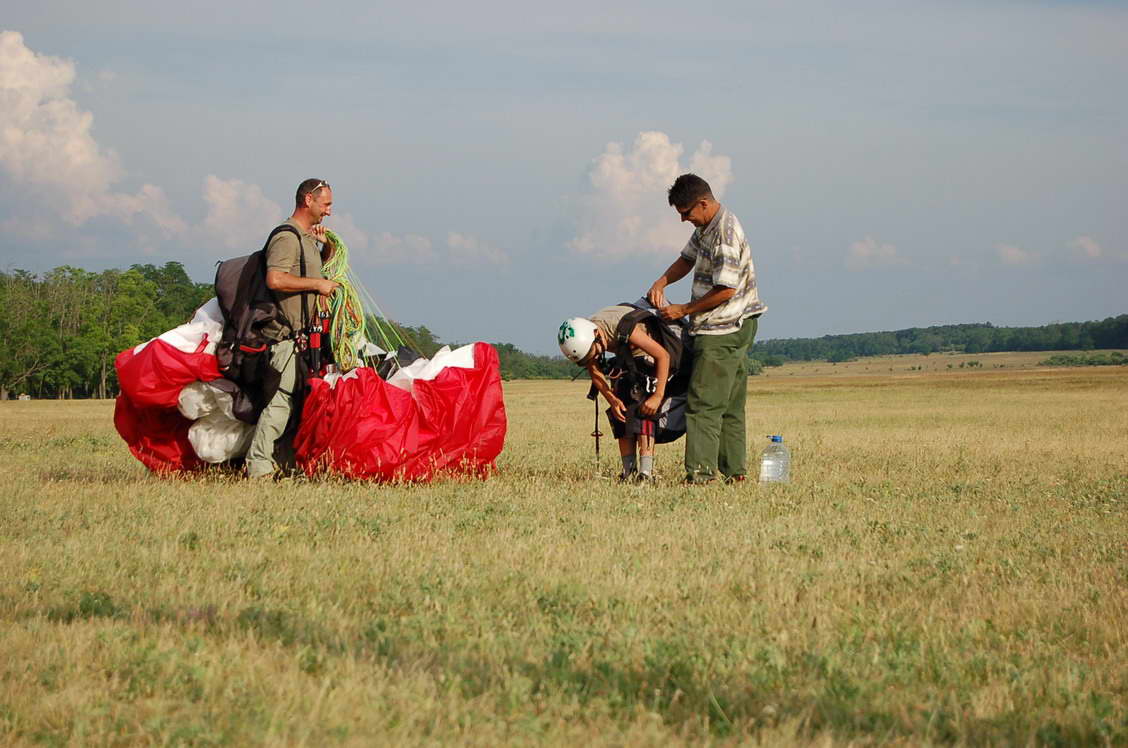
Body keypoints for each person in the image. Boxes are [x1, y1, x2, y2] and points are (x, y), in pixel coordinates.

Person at [647, 173, 767, 484]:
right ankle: (735, 472)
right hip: (738, 324)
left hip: (722, 330)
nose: (684, 220)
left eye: (686, 213)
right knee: (730, 405)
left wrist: (683, 310)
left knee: (703, 404)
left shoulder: (724, 233)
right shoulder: (707, 226)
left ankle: (700, 475)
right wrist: (661, 282)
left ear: (703, 203)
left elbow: (725, 290)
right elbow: (686, 259)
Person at [245, 179, 341, 479]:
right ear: (308, 199)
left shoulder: (306, 239)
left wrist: (325, 249)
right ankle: (258, 466)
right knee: (281, 401)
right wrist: (318, 284)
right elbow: (276, 279)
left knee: (298, 403)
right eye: (326, 204)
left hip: (304, 338)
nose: (329, 211)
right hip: (284, 336)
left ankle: (286, 464)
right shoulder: (286, 237)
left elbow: (310, 271)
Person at [558, 306, 674, 482]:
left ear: (597, 336)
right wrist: (612, 400)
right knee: (621, 414)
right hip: (624, 356)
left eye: (594, 353)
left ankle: (646, 473)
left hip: (647, 355)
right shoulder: (587, 338)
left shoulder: (622, 328)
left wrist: (657, 396)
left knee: (641, 411)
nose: (594, 357)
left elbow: (663, 356)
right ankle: (628, 472)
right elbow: (594, 371)